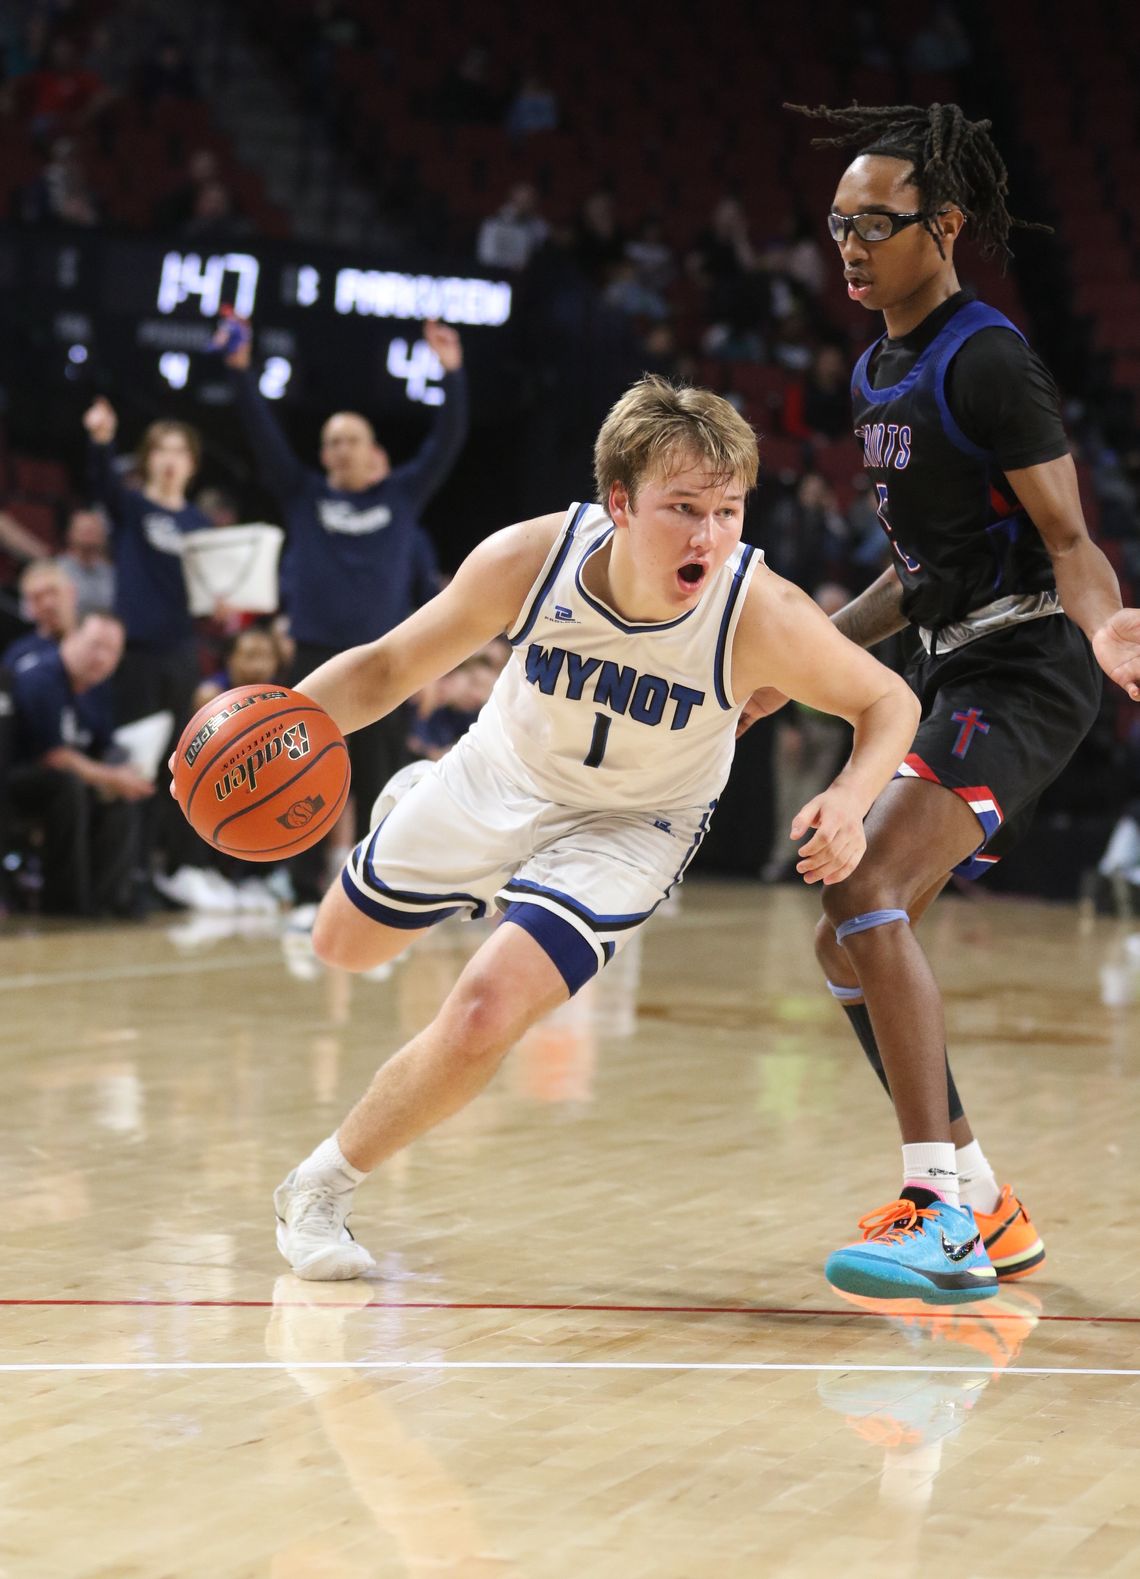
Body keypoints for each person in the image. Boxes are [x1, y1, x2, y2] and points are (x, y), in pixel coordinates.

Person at [253, 374, 922, 1279]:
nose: (709, 536)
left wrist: (849, 798)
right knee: (342, 947)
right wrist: (264, 729)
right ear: (618, 502)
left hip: (633, 826)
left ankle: (321, 1188)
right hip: (499, 774)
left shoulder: (758, 610)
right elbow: (385, 668)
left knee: (488, 1006)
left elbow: (887, 699)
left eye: (728, 511)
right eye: (682, 508)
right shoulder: (532, 560)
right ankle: (415, 803)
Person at [755, 102, 1140, 1302]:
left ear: (947, 227)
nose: (853, 247)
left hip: (1031, 664)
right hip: (952, 663)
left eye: (878, 223)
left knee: (867, 884)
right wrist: (802, 657)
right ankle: (980, 1191)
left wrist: (1108, 623)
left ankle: (935, 1208)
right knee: (841, 930)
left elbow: (1067, 538)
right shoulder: (876, 366)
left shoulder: (986, 356)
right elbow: (910, 580)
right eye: (838, 226)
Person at [220, 315, 469, 900]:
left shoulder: (401, 494)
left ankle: (380, 890)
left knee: (382, 779)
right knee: (296, 776)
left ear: (372, 449)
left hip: (385, 662)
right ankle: (298, 887)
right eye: (330, 440)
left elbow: (448, 440)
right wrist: (239, 370)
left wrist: (452, 373)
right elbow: (262, 434)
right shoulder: (303, 494)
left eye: (350, 439)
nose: (339, 448)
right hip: (310, 654)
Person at [83, 397, 215, 890]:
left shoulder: (201, 526)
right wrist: (101, 439)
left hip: (181, 653)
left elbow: (209, 594)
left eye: (179, 450)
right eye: (161, 449)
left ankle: (172, 870)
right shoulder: (134, 507)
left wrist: (219, 607)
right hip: (136, 652)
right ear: (148, 458)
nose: (169, 458)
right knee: (134, 760)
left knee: (181, 768)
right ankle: (124, 871)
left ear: (191, 463)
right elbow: (99, 484)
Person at [8, 612, 152, 916]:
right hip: (17, 781)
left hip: (70, 781)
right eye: (95, 645)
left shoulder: (96, 690)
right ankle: (63, 904)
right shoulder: (40, 677)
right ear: (72, 639)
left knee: (122, 797)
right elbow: (52, 755)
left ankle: (104, 902)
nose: (102, 657)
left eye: (112, 651)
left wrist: (124, 771)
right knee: (69, 786)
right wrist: (112, 777)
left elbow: (105, 746)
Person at [3, 559, 78, 667]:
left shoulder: (97, 646)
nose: (48, 603)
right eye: (37, 597)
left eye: (53, 591)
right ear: (28, 608)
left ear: (72, 593)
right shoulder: (18, 655)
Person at [58, 508, 115, 619]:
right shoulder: (54, 571)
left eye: (93, 530)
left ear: (103, 536)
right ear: (70, 533)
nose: (89, 534)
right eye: (84, 529)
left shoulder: (113, 574)